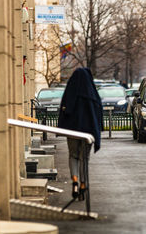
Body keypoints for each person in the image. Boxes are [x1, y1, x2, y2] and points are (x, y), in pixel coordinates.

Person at [58, 68, 103, 200]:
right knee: (85, 158)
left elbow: (63, 110)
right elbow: (98, 114)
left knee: (73, 156)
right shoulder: (92, 94)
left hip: (72, 131)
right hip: (88, 133)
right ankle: (84, 183)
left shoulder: (69, 92)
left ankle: (75, 182)